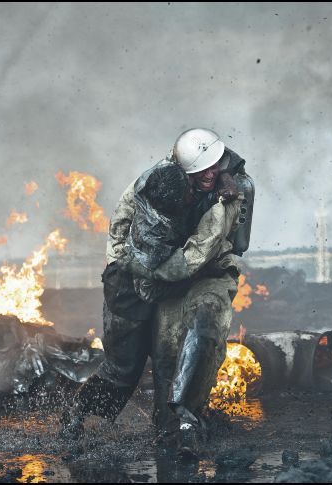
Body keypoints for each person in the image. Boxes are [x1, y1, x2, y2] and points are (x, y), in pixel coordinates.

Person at [61, 129, 253, 454]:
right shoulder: (150, 188)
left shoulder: (231, 193)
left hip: (184, 274)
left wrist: (224, 200)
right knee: (123, 366)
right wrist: (128, 268)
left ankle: (170, 434)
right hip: (132, 278)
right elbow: (120, 230)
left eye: (214, 166)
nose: (210, 173)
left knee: (168, 359)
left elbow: (195, 257)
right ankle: (79, 416)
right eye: (201, 170)